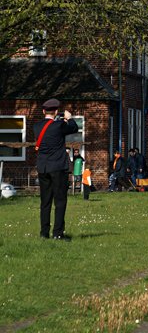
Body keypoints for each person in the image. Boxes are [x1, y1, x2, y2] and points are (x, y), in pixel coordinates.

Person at [33, 98, 79, 240]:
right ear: (56, 111)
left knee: (45, 202)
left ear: (43, 111)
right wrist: (69, 118)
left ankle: (44, 233)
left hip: (43, 167)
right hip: (58, 167)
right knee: (60, 201)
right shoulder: (59, 125)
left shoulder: (36, 126)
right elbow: (74, 128)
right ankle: (58, 233)